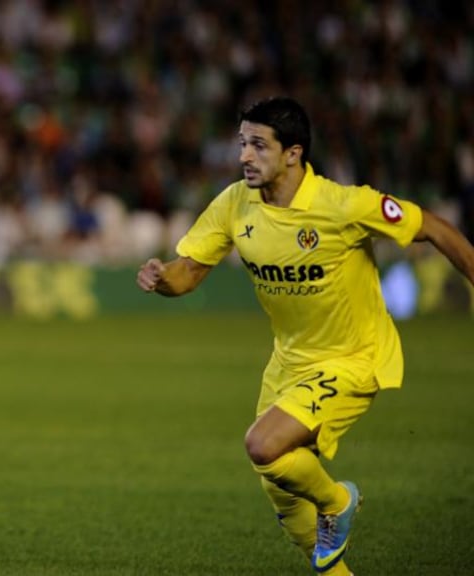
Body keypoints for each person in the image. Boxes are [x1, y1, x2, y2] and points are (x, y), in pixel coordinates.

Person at [137, 96, 474, 575]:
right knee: (278, 485)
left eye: (258, 145)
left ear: (293, 153)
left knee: (263, 446)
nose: (244, 157)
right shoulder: (235, 203)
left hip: (353, 357)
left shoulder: (344, 205)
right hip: (289, 362)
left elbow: (434, 227)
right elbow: (189, 271)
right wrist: (160, 278)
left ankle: (338, 501)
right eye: (241, 144)